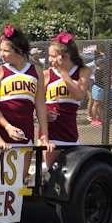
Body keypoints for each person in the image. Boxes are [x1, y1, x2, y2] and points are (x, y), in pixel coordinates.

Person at [0, 24, 47, 148]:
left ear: (19, 50)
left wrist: (44, 134)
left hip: (26, 135)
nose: (1, 54)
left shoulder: (36, 71)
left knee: (23, 168)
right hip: (1, 136)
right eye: (0, 50)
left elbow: (40, 104)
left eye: (6, 51)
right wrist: (7, 126)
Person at [44, 32, 90, 168]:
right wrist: (42, 114)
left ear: (65, 56)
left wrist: (63, 72)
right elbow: (36, 103)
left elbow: (79, 95)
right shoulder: (47, 74)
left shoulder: (82, 71)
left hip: (70, 132)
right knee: (49, 170)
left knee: (71, 171)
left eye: (52, 56)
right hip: (50, 131)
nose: (49, 60)